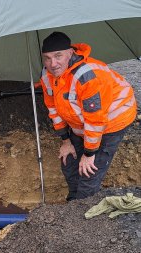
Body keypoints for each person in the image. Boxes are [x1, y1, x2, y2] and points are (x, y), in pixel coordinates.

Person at [39, 31, 137, 201]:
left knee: (89, 173)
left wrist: (89, 154)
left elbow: (96, 119)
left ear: (70, 53)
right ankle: (73, 202)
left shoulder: (87, 77)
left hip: (112, 120)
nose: (52, 63)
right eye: (47, 58)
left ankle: (83, 208)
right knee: (69, 162)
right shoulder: (47, 76)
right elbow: (53, 108)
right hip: (84, 123)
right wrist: (66, 141)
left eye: (58, 56)